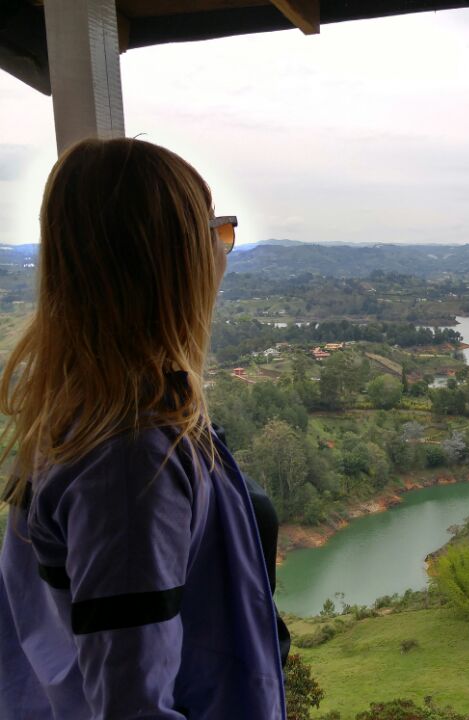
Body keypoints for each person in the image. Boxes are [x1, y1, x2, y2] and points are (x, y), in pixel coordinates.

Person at [0, 138, 288, 719]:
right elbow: (133, 706)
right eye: (214, 229)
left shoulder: (83, 416)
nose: (224, 247)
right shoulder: (131, 460)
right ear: (171, 262)